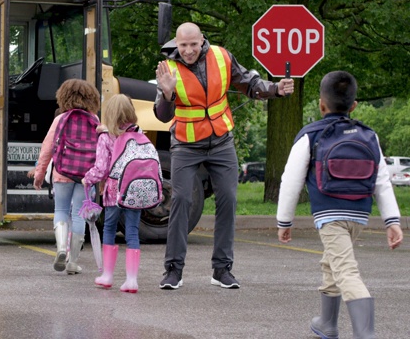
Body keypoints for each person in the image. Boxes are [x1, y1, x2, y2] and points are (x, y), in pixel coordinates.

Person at [154, 22, 294, 290]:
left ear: (202, 40)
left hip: (221, 141)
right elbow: (163, 116)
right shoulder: (167, 70)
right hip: (186, 143)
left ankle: (222, 270)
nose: (189, 50)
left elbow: (249, 83)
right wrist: (168, 93)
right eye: (183, 45)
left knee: (228, 200)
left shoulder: (221, 56)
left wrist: (275, 88)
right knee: (181, 199)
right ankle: (173, 270)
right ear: (177, 43)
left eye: (193, 44)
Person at [276, 71, 403, 338]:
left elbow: (290, 181)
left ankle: (365, 333)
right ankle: (327, 323)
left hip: (329, 214)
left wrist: (284, 222)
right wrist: (392, 220)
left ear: (321, 104)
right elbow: (382, 180)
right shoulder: (369, 136)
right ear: (354, 105)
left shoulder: (310, 135)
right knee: (332, 261)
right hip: (359, 215)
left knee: (345, 270)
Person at [33, 79, 101, 274]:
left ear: (63, 97)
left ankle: (61, 248)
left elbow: (47, 148)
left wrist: (39, 173)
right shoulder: (94, 120)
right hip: (85, 176)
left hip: (62, 172)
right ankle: (73, 262)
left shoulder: (60, 119)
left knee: (61, 209)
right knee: (79, 214)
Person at [82, 94, 142, 293]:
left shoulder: (105, 138)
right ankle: (131, 280)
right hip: (134, 190)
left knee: (109, 228)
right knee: (132, 231)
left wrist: (87, 179)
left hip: (113, 192)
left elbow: (101, 168)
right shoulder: (138, 133)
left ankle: (107, 276)